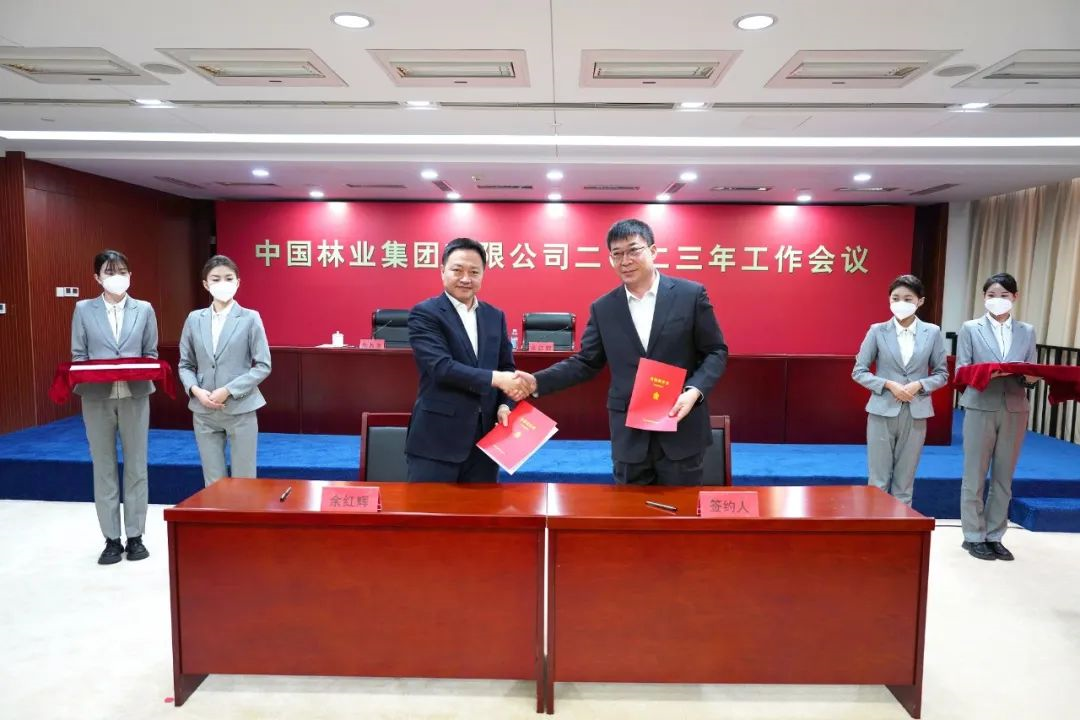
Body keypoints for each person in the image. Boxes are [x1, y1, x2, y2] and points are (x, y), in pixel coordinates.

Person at [517, 218, 728, 485]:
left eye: (633, 250)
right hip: (630, 436)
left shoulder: (690, 295)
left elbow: (716, 351)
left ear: (653, 251)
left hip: (680, 426)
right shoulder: (604, 308)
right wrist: (537, 382)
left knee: (680, 511)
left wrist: (694, 391)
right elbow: (586, 362)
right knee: (628, 510)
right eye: (616, 254)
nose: (625, 260)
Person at [405, 237, 522, 482]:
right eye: (457, 270)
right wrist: (496, 378)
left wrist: (505, 405)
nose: (466, 278)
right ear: (442, 271)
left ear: (483, 275)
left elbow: (507, 367)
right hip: (437, 441)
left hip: (486, 443)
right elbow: (441, 368)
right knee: (430, 506)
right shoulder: (425, 313)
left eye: (474, 272)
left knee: (482, 507)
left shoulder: (495, 316)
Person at [71, 250, 158, 564]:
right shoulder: (83, 309)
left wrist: (137, 369)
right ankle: (111, 539)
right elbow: (78, 355)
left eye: (122, 271)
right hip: (97, 398)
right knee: (104, 466)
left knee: (136, 465)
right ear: (97, 277)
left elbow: (150, 353)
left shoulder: (144, 309)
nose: (116, 277)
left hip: (135, 396)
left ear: (130, 275)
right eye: (109, 272)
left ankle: (135, 536)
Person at [956, 272, 1038, 561]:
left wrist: (1030, 377)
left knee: (1004, 476)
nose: (997, 300)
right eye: (991, 295)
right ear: (984, 298)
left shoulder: (1027, 330)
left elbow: (1030, 370)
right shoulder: (970, 328)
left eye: (1004, 295)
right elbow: (962, 370)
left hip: (1015, 407)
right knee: (974, 474)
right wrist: (990, 373)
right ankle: (973, 535)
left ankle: (995, 535)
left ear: (1015, 297)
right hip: (981, 404)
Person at [852, 274, 949, 506]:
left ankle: (900, 526)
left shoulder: (932, 332)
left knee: (904, 482)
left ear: (920, 301)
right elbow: (859, 371)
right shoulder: (877, 331)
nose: (901, 303)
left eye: (908, 298)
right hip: (882, 410)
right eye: (895, 298)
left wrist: (920, 385)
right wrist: (888, 384)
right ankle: (876, 526)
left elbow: (942, 374)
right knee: (878, 480)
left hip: (916, 411)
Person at [177, 255, 271, 486]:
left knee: (244, 480)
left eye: (229, 278)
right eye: (216, 279)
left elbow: (263, 365)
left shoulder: (250, 318)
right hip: (203, 410)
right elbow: (185, 364)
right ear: (206, 284)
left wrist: (228, 390)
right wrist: (195, 390)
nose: (223, 283)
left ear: (238, 282)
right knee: (213, 482)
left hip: (241, 408)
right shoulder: (194, 319)